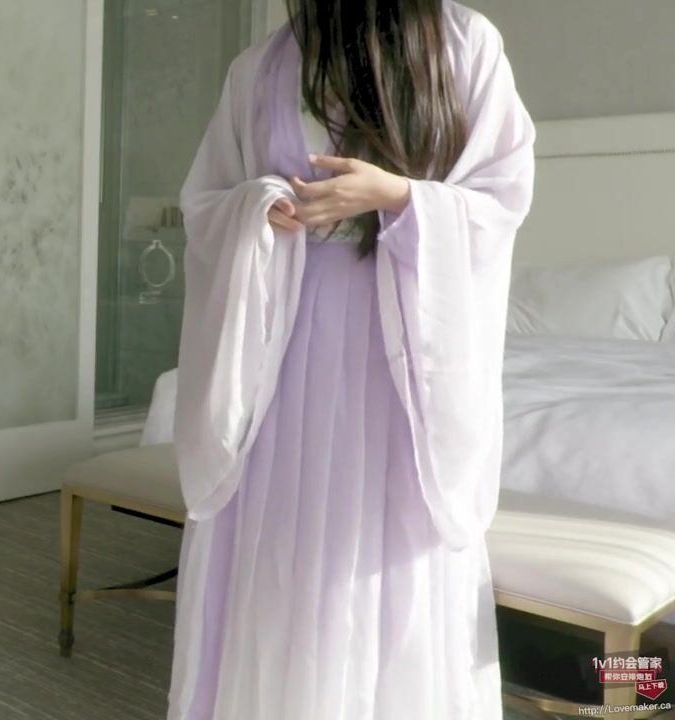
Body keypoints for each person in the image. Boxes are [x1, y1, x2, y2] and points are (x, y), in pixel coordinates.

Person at [168, 1, 535, 718]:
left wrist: (395, 196)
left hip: (404, 349)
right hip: (283, 341)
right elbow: (205, 202)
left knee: (375, 544)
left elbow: (501, 197)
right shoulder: (262, 66)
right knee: (283, 547)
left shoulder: (462, 42)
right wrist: (260, 206)